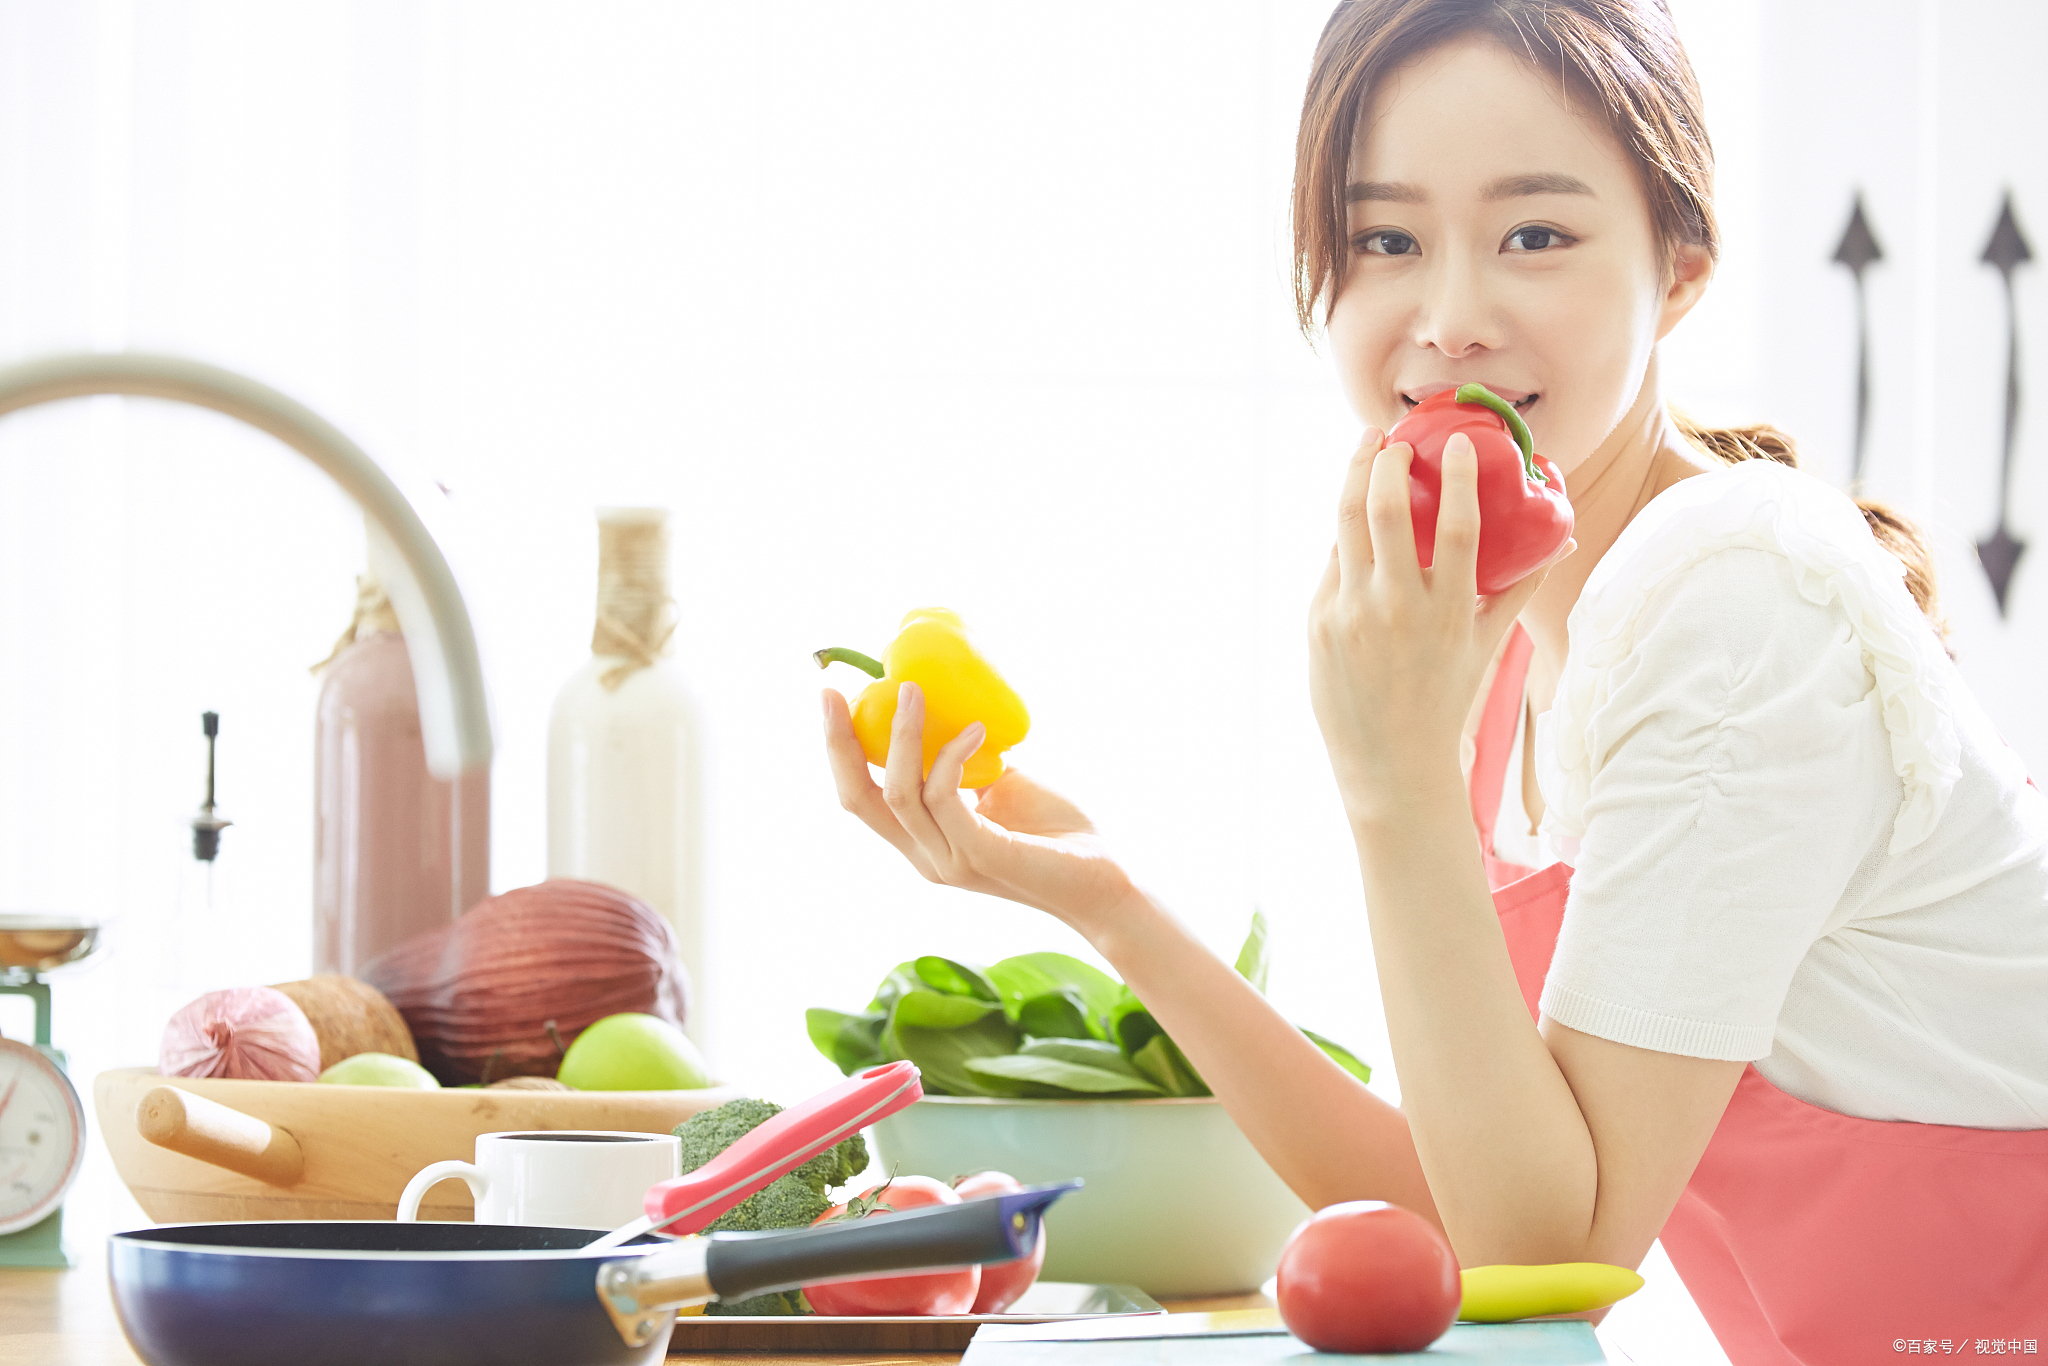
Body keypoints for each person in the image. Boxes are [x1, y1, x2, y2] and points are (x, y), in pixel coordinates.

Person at [821, 2, 2048, 1360]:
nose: (1451, 320)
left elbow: (1555, 1261)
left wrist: (1390, 775)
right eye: (1384, 239)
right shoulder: (1512, 620)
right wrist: (1111, 903)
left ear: (1681, 266)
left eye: (1536, 234)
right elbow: (1473, 1215)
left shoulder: (1738, 594)